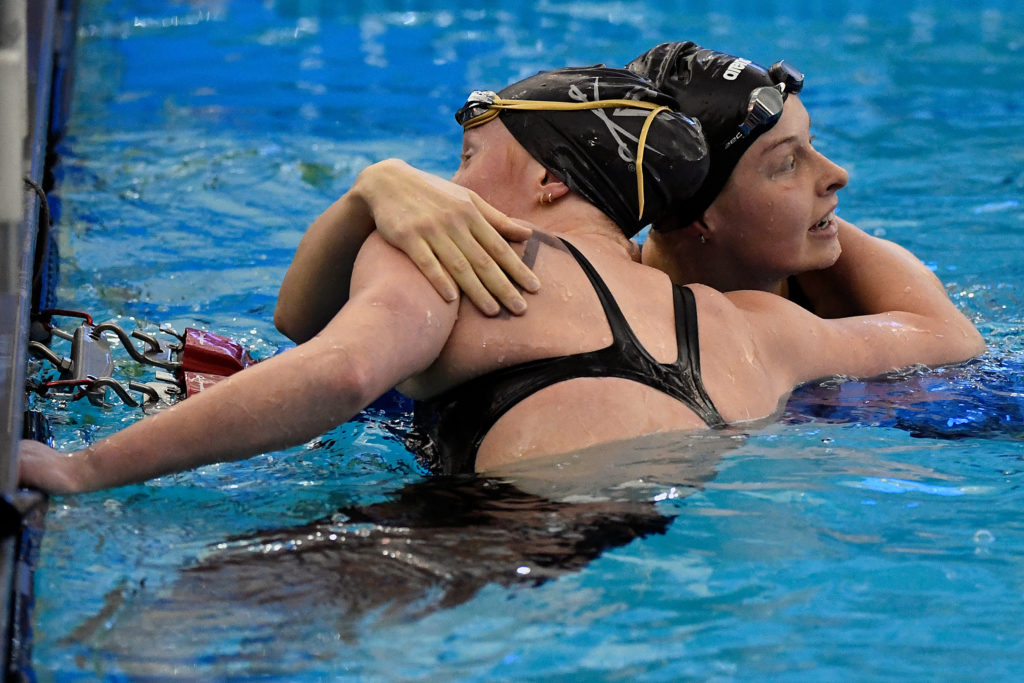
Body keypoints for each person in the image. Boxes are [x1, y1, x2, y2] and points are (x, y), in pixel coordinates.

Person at [19, 66, 982, 494]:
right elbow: (945, 341)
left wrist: (84, 468)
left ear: (550, 177)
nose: (449, 180)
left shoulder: (470, 254)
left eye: (471, 153)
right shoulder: (750, 326)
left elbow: (337, 368)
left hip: (479, 532)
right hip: (652, 539)